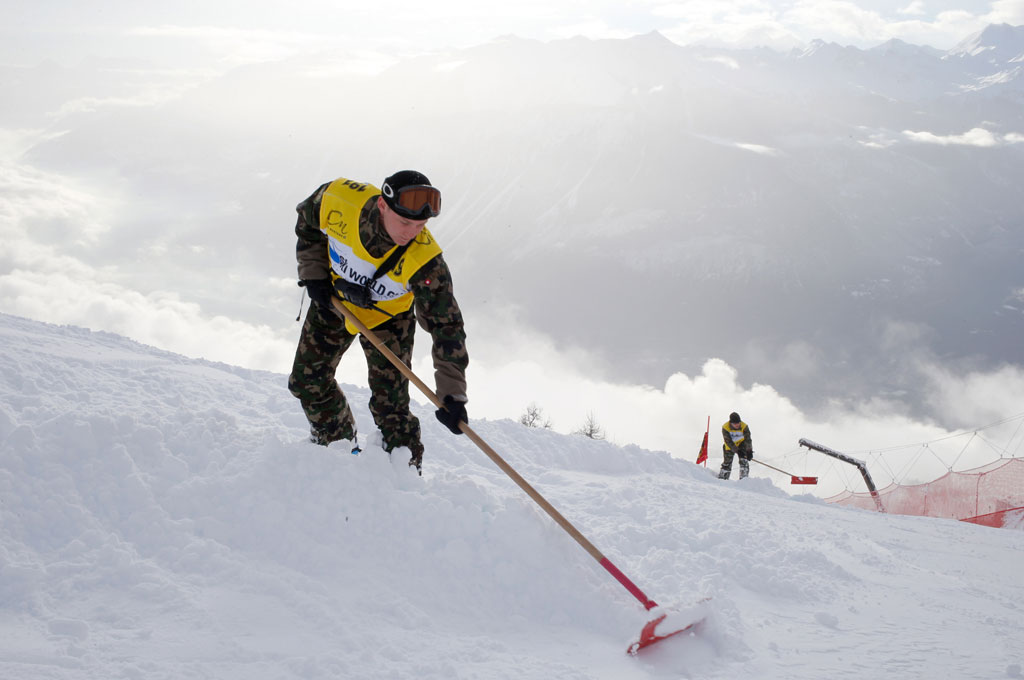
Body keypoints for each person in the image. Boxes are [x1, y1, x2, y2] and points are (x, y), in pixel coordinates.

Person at [288, 170, 469, 473]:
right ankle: (337, 450)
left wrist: (452, 393)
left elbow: (446, 325)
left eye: (421, 225)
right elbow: (308, 222)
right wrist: (313, 272)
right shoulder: (340, 200)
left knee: (391, 410)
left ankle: (403, 479)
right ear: (383, 206)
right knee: (308, 382)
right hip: (334, 301)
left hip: (389, 322)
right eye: (405, 222)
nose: (411, 233)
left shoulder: (425, 261)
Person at [718, 412, 753, 480]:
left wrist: (749, 451)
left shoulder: (744, 426)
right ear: (731, 423)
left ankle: (744, 479)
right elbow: (728, 441)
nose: (737, 425)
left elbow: (748, 439)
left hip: (741, 443)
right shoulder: (725, 427)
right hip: (730, 446)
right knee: (727, 462)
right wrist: (737, 451)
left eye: (738, 423)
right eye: (735, 423)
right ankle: (723, 479)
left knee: (744, 460)